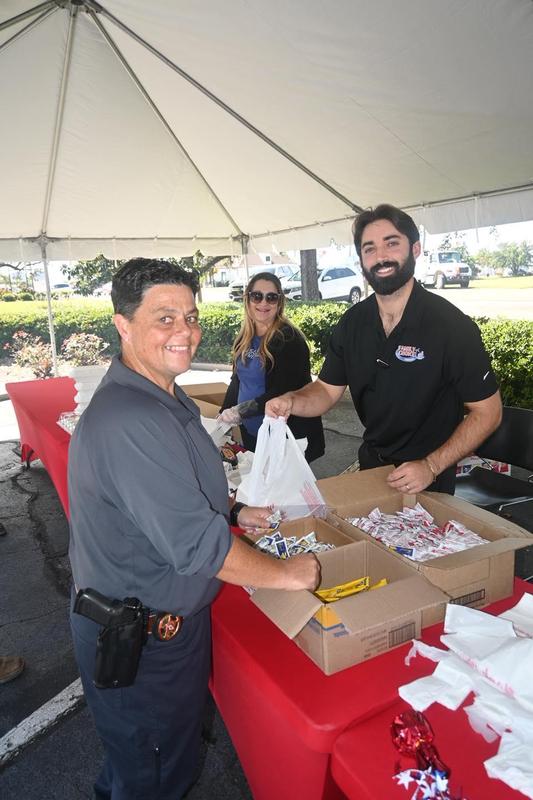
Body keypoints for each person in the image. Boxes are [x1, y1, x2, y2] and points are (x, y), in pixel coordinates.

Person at [68, 258, 320, 800]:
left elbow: (174, 490)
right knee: (154, 775)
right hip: (144, 643)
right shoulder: (130, 418)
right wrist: (291, 575)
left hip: (154, 624)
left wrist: (232, 511)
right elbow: (199, 547)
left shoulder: (160, 390)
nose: (184, 331)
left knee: (140, 766)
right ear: (123, 324)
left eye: (190, 316)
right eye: (165, 318)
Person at [266, 204, 502, 495]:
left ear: (415, 249)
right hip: (373, 468)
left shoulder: (451, 326)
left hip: (429, 478)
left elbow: (488, 412)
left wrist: (431, 466)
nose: (380, 257)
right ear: (361, 260)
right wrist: (292, 401)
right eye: (370, 248)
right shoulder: (352, 323)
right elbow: (326, 390)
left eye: (391, 243)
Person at [219, 271, 324, 462]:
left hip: (283, 434)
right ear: (247, 299)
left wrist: (240, 411)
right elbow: (238, 381)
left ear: (279, 302)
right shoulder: (244, 338)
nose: (263, 303)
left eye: (271, 297)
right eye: (257, 296)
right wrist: (223, 415)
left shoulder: (289, 340)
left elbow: (282, 391)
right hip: (253, 432)